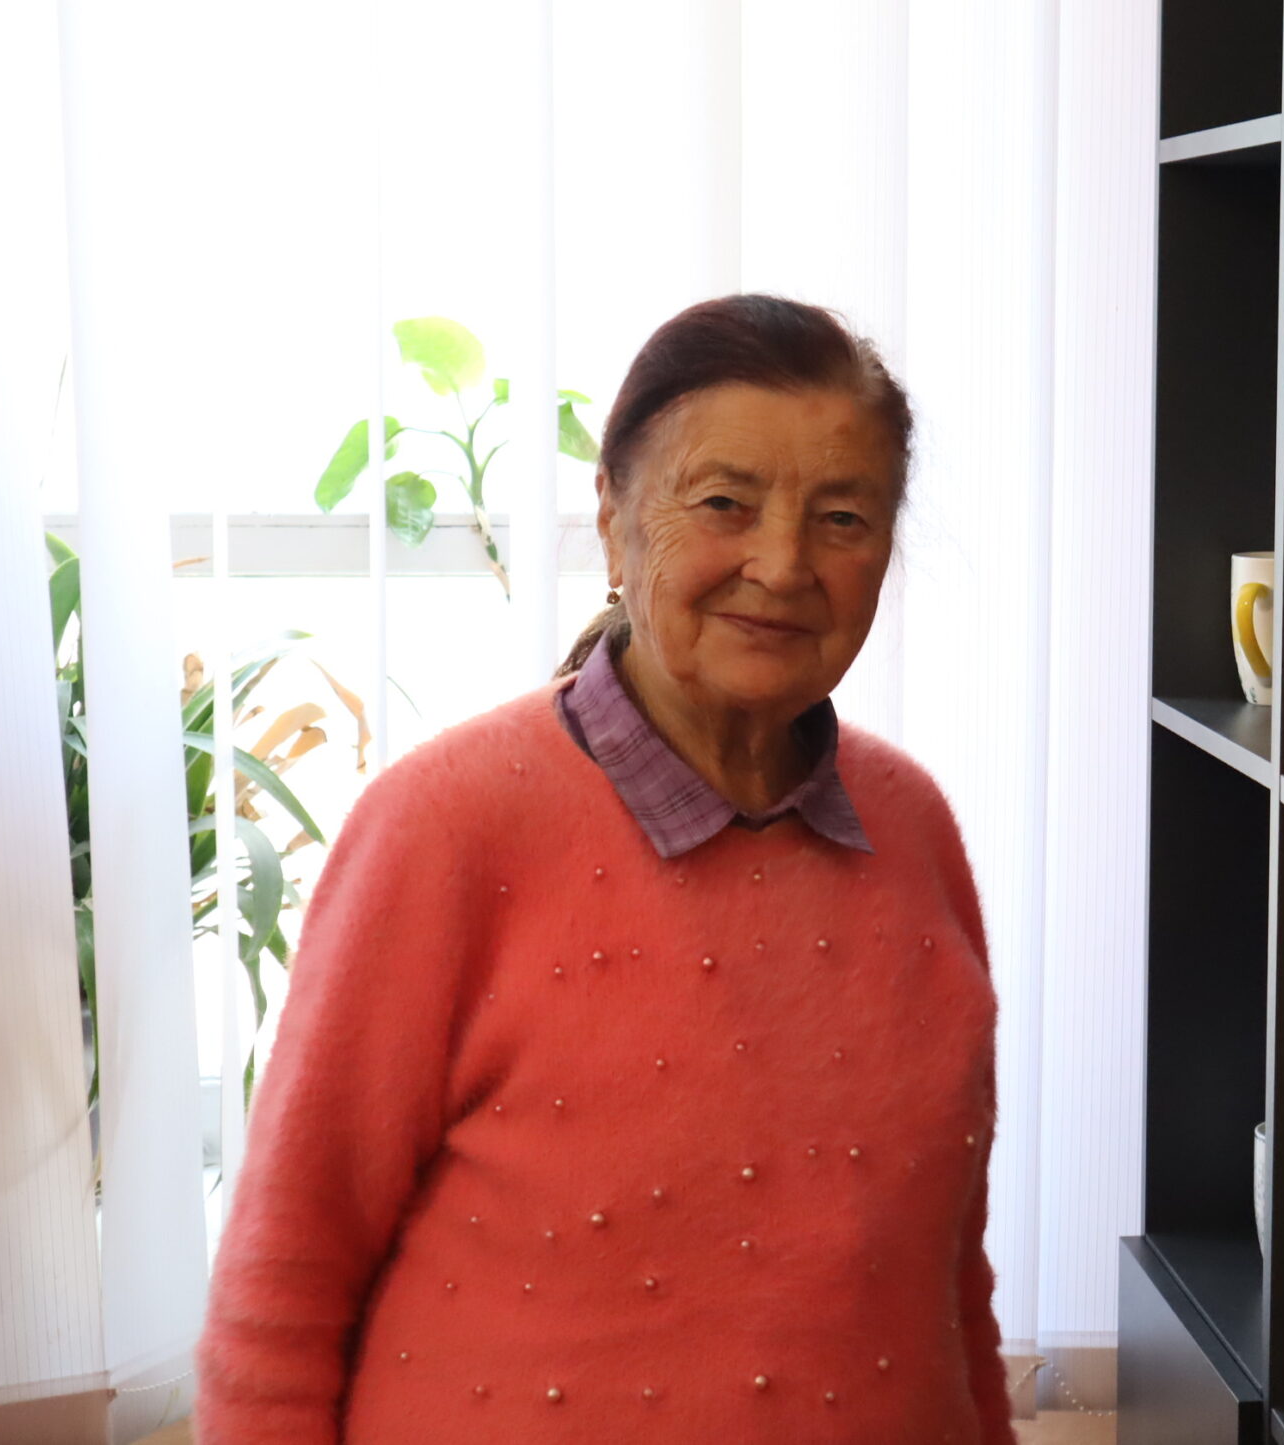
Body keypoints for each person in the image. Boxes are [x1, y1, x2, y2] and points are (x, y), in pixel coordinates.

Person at [193, 295, 1014, 1444]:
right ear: (614, 520)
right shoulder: (444, 827)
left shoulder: (911, 827)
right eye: (723, 503)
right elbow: (282, 1286)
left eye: (843, 517)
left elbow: (945, 1283)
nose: (783, 564)